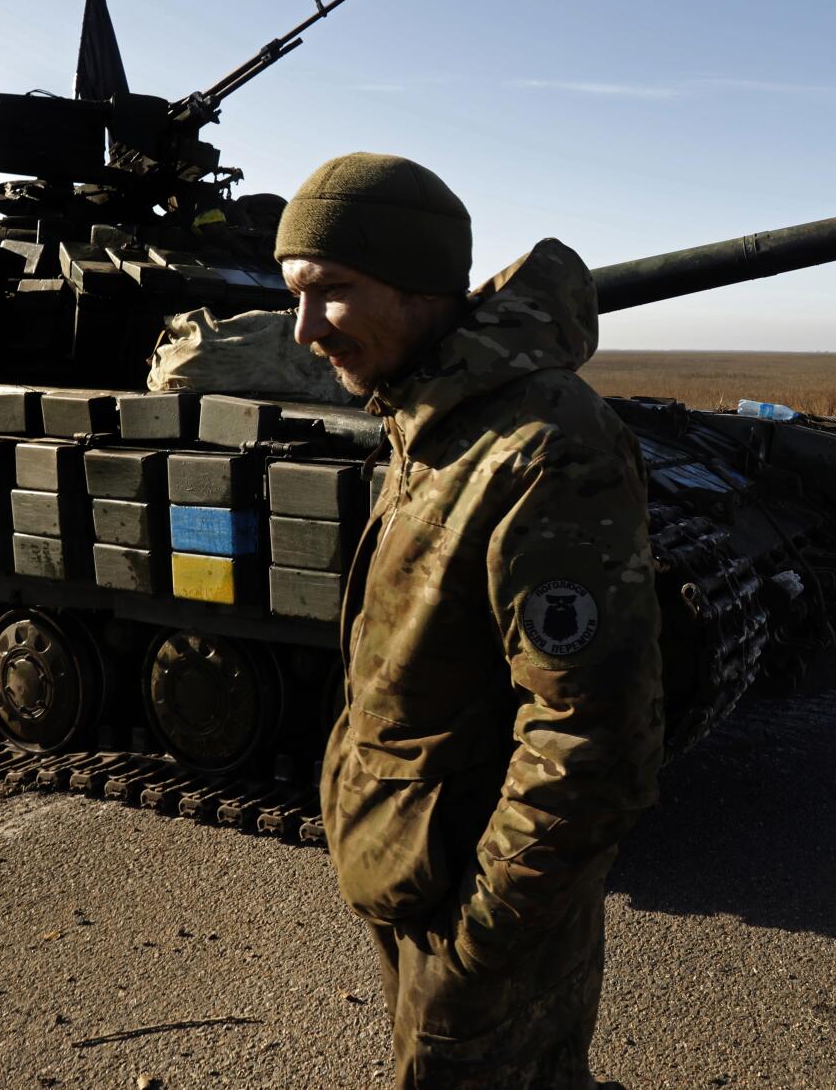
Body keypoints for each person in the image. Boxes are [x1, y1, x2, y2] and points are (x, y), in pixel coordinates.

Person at [274, 151, 664, 1089]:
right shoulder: (430, 419)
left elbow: (588, 741)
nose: (302, 327)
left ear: (416, 285)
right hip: (424, 877)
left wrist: (478, 946)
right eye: (294, 292)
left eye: (330, 289)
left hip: (484, 922)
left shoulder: (539, 446)